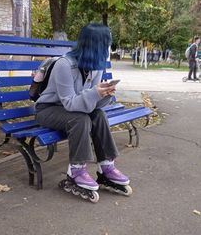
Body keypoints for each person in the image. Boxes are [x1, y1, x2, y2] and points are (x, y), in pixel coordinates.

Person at [35, 23, 131, 202]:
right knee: (80, 120)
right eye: (106, 44)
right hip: (48, 110)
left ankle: (106, 165)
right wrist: (95, 93)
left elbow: (91, 105)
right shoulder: (64, 65)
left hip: (72, 110)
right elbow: (70, 103)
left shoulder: (95, 66)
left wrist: (104, 94)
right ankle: (76, 170)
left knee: (99, 115)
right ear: (95, 45)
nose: (108, 49)